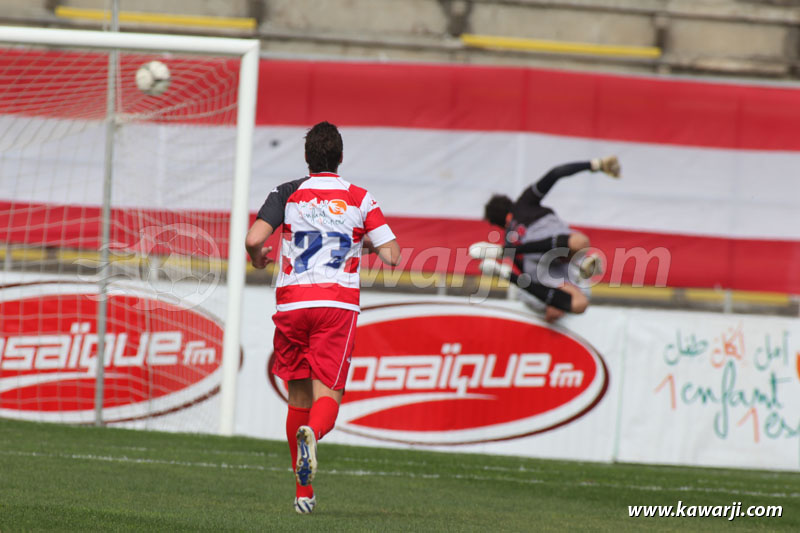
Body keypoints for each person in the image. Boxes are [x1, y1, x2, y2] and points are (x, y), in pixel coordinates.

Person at [245, 121, 401, 514]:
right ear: (341, 158)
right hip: (335, 306)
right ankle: (312, 435)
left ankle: (303, 494)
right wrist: (353, 245)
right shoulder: (359, 197)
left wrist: (258, 258)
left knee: (296, 396)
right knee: (327, 396)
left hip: (293, 303)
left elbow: (252, 240)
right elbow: (392, 255)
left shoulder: (288, 191)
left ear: (306, 158)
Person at [471, 157, 620, 322]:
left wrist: (551, 300)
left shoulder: (510, 236)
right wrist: (594, 165)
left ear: (497, 223)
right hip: (547, 253)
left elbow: (528, 278)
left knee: (580, 304)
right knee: (581, 243)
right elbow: (556, 173)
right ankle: (577, 264)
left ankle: (508, 274)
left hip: (542, 266)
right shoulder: (525, 202)